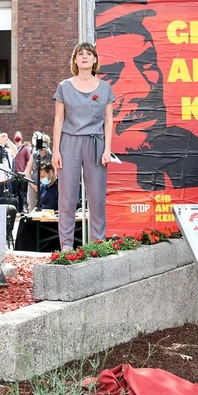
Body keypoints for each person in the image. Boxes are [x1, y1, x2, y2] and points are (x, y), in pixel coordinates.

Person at [95, 0, 198, 190]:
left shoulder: (184, 150)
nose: (143, 89)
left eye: (147, 63)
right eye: (110, 73)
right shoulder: (88, 156)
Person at [53, 42, 115, 247]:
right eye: (81, 54)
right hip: (69, 142)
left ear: (95, 59)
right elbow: (59, 119)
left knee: (96, 196)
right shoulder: (64, 86)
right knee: (67, 197)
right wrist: (55, 151)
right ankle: (67, 247)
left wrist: (107, 150)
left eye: (89, 54)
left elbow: (108, 121)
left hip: (95, 144)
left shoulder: (105, 88)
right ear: (75, 60)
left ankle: (98, 244)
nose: (85, 57)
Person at [24, 133, 53, 211]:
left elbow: (54, 173)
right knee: (32, 208)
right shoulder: (34, 155)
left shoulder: (51, 156)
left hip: (47, 186)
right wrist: (32, 184)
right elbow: (27, 171)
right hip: (34, 186)